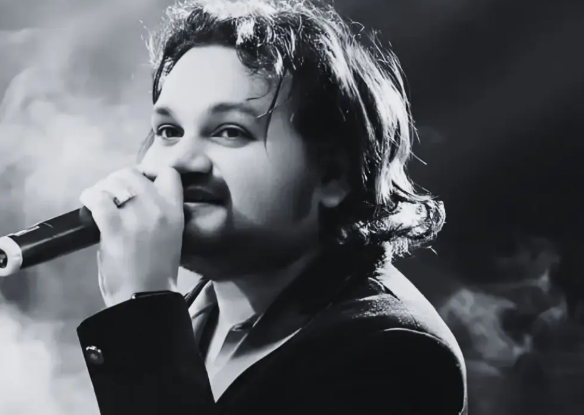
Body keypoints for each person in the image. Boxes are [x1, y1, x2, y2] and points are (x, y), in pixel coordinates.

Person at [76, 0, 467, 414]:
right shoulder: (191, 315)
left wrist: (140, 315)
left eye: (230, 131)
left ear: (333, 175)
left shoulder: (394, 353)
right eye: (169, 131)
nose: (179, 162)